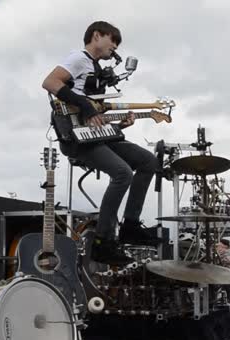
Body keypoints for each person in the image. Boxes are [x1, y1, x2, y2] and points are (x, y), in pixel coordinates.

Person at [42, 21, 160, 265]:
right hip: (76, 137)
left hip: (96, 133)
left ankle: (130, 224)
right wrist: (85, 105)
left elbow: (95, 112)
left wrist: (120, 124)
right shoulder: (79, 58)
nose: (114, 46)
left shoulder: (95, 69)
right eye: (112, 40)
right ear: (96, 36)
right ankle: (103, 242)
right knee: (122, 173)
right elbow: (51, 82)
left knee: (148, 161)